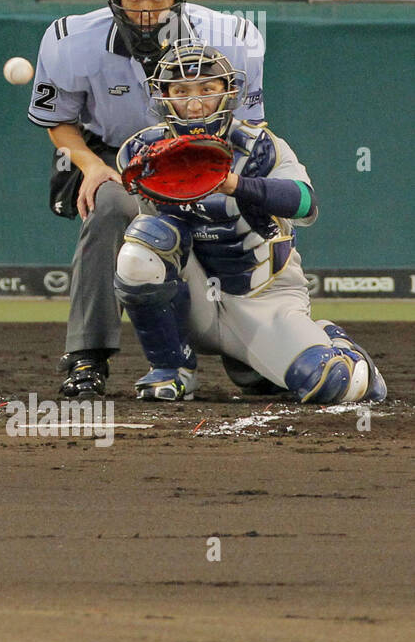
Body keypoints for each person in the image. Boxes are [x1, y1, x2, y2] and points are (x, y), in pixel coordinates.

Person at [27, 0, 265, 399]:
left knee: (240, 222)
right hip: (120, 161)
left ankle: (253, 348)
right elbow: (59, 122)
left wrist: (227, 182)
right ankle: (87, 357)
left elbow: (250, 129)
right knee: (108, 206)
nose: (146, 8)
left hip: (206, 156)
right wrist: (90, 165)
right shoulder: (70, 40)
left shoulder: (234, 37)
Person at [114, 42, 386, 405]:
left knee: (333, 383)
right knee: (143, 246)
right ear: (164, 97)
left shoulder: (260, 146)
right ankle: (172, 368)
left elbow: (304, 203)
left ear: (228, 93)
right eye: (181, 92)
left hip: (263, 296)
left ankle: (326, 342)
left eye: (206, 90)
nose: (194, 105)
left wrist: (235, 185)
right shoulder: (141, 153)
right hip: (195, 301)